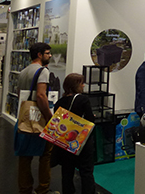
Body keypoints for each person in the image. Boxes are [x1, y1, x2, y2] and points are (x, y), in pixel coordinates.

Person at [15, 42, 56, 194]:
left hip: (25, 118)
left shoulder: (23, 71)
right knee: (45, 155)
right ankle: (43, 188)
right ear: (39, 55)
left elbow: (20, 94)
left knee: (25, 156)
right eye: (47, 53)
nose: (50, 56)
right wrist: (49, 116)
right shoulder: (43, 71)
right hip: (39, 118)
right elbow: (41, 95)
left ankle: (25, 188)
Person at [53, 73, 96, 194]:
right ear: (76, 85)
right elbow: (90, 120)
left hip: (65, 141)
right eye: (81, 83)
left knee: (67, 172)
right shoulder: (83, 100)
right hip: (82, 142)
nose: (83, 85)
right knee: (86, 171)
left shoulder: (59, 102)